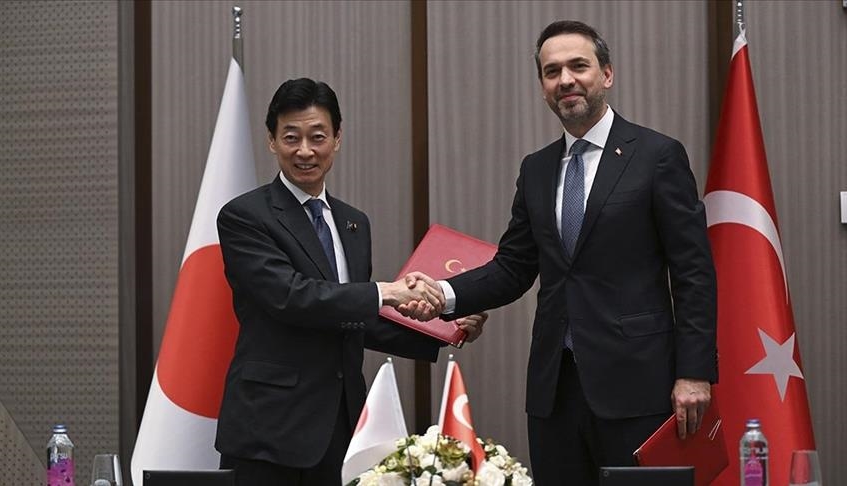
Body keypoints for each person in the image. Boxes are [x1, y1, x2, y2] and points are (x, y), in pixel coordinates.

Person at [403, 20, 717, 484]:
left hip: (638, 386)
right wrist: (442, 294)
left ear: (606, 74)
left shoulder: (657, 155)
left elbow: (693, 272)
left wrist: (694, 372)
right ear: (543, 87)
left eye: (578, 66)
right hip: (555, 391)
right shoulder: (536, 168)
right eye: (552, 72)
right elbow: (513, 267)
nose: (565, 80)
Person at [213, 78, 486, 486]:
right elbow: (290, 297)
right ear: (272, 141)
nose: (305, 151)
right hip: (269, 430)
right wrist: (386, 291)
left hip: (342, 425)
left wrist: (447, 328)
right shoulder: (245, 216)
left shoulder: (353, 222)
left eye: (317, 136)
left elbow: (354, 317)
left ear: (337, 138)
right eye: (291, 137)